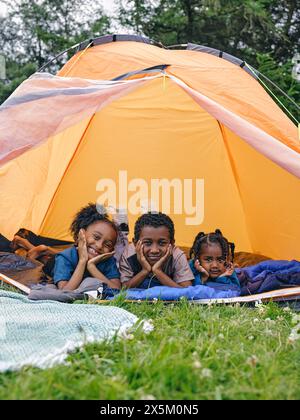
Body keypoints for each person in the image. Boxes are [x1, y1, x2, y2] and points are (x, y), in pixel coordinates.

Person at [53, 204, 121, 294]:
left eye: (107, 245)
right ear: (81, 234)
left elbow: (117, 290)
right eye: (96, 237)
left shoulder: (108, 260)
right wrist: (82, 260)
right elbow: (66, 292)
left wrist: (91, 266)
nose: (100, 245)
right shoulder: (65, 257)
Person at [119, 212, 194, 289]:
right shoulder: (129, 255)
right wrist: (145, 270)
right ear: (135, 243)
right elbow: (122, 289)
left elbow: (187, 291)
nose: (154, 250)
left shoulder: (177, 256)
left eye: (162, 243)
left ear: (172, 243)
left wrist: (158, 271)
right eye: (147, 243)